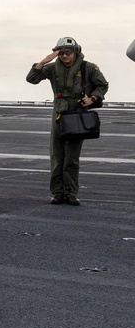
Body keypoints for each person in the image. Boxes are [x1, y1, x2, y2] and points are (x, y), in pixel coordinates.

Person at [26, 37, 108, 205]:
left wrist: (92, 98)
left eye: (67, 52)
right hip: (58, 114)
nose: (64, 56)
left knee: (71, 158)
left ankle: (70, 193)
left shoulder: (88, 68)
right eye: (60, 53)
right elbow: (31, 79)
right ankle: (57, 193)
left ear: (76, 51)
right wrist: (44, 60)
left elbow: (103, 85)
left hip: (77, 113)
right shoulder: (52, 68)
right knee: (56, 156)